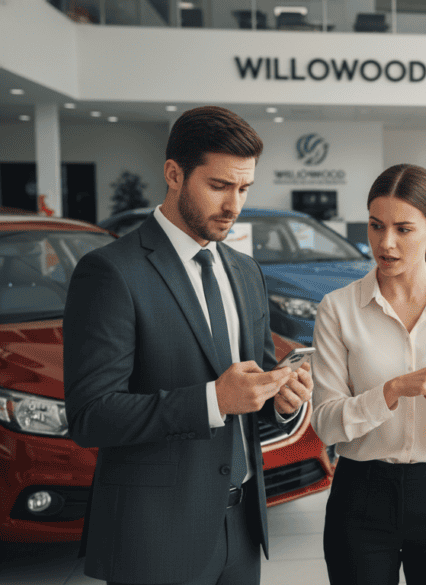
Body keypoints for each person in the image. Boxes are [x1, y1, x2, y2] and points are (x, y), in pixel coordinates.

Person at [63, 105, 313, 585]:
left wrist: (278, 399)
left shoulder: (245, 270)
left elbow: (252, 387)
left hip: (241, 528)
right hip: (155, 536)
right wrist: (213, 400)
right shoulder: (111, 272)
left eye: (243, 189)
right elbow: (92, 415)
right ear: (173, 174)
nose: (234, 205)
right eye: (219, 185)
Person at [311, 163, 426, 585]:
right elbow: (325, 424)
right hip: (360, 497)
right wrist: (392, 391)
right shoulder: (337, 309)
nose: (386, 243)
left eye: (403, 229)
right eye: (376, 226)